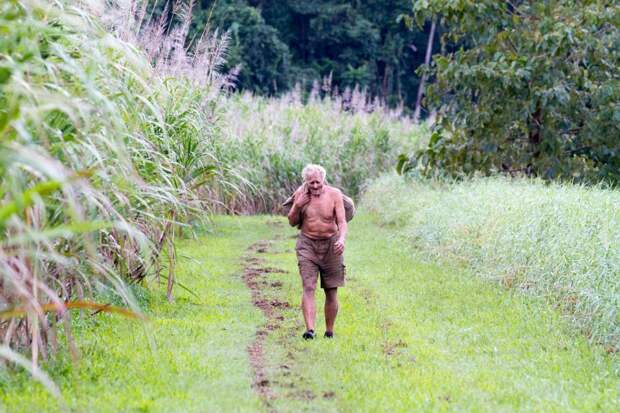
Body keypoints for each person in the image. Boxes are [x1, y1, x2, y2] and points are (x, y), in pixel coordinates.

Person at [288, 164, 347, 340]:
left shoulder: (334, 194)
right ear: (306, 182)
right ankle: (310, 330)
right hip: (307, 245)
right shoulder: (300, 195)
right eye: (311, 183)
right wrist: (297, 206)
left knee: (331, 290)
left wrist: (341, 239)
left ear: (323, 180)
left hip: (331, 245)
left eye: (318, 183)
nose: (315, 186)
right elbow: (291, 221)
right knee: (308, 286)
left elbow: (342, 222)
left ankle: (329, 331)